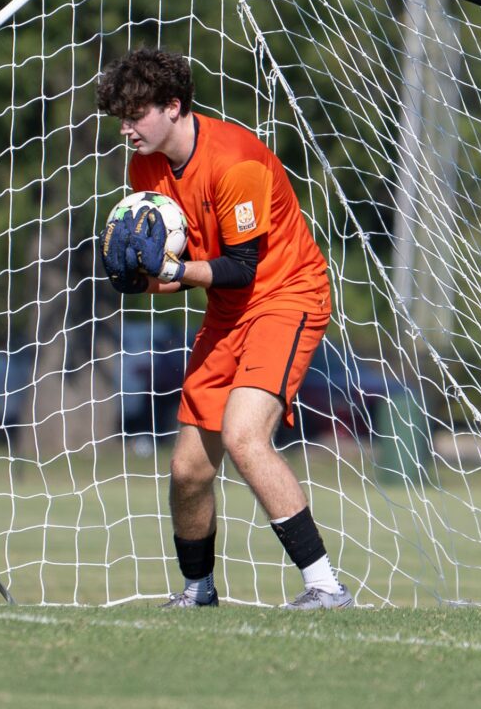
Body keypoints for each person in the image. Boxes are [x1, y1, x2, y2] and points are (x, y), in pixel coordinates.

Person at [97, 47, 352, 611]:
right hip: (228, 309)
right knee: (188, 469)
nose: (127, 128)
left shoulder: (235, 161)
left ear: (174, 105)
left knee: (243, 435)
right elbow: (181, 265)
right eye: (121, 116)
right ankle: (197, 591)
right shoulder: (145, 167)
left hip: (285, 297)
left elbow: (241, 266)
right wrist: (136, 280)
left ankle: (326, 587)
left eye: (136, 114)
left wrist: (168, 271)